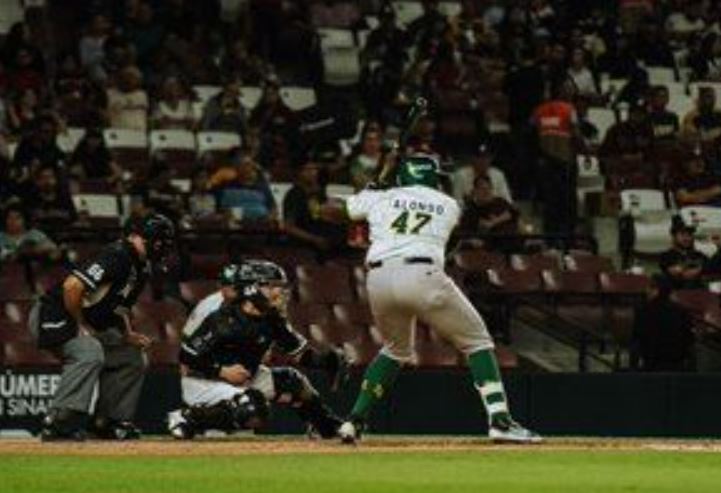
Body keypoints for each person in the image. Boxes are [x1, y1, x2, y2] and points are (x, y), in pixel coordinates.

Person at [336, 152, 540, 444]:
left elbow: (348, 210)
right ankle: (500, 421)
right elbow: (451, 232)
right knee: (478, 342)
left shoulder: (382, 196)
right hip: (422, 273)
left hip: (378, 278)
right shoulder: (448, 204)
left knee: (394, 350)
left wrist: (377, 184)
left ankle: (354, 420)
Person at [29, 213, 176, 441]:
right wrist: (80, 325)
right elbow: (72, 286)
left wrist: (127, 334)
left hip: (84, 319)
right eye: (158, 241)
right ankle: (59, 420)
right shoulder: (117, 254)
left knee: (130, 356)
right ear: (138, 236)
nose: (161, 247)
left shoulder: (142, 267)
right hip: (54, 313)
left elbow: (121, 306)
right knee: (89, 351)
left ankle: (106, 421)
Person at [167, 260, 346, 439]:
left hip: (246, 379)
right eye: (272, 286)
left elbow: (300, 355)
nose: (280, 292)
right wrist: (222, 371)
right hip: (206, 383)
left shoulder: (273, 319)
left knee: (291, 381)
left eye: (280, 286)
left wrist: (327, 360)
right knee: (253, 408)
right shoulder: (223, 320)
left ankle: (327, 427)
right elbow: (187, 356)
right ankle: (187, 417)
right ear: (252, 289)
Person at [631, 274, 695, 372]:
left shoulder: (644, 311)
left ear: (656, 290)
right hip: (677, 365)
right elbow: (689, 338)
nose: (646, 291)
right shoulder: (681, 311)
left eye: (649, 287)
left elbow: (638, 338)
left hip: (652, 365)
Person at [659, 218, 716, 290]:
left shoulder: (699, 255)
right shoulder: (666, 256)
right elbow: (681, 274)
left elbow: (712, 269)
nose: (687, 238)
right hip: (679, 293)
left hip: (702, 292)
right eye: (682, 234)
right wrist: (700, 270)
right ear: (674, 237)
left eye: (689, 235)